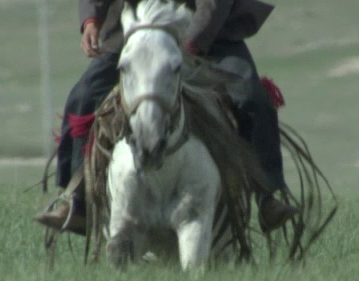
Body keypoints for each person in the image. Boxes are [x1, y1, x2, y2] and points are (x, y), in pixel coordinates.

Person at [35, 0, 298, 235]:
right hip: (136, 32)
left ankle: (266, 196)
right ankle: (76, 200)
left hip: (206, 32)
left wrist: (189, 43)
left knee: (253, 98)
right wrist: (92, 20)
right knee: (82, 99)